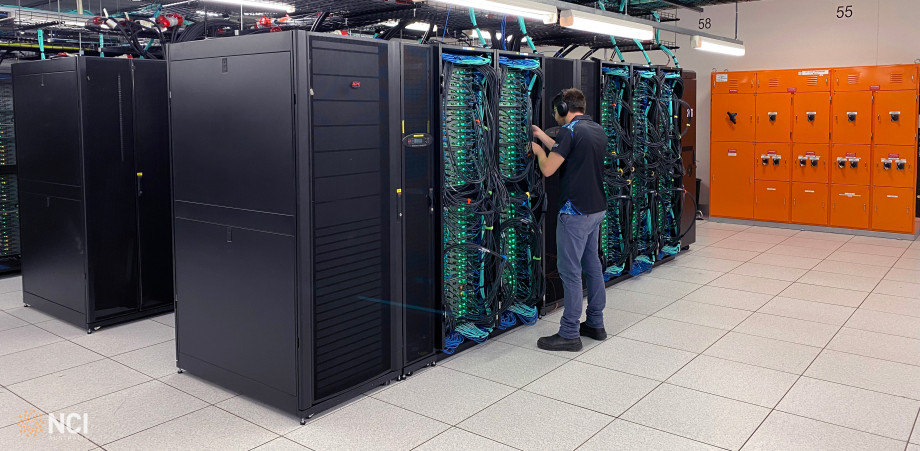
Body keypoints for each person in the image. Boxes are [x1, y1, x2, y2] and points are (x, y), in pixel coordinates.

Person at [530, 88, 608, 352]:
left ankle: (569, 333)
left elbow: (549, 168)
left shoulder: (569, 131)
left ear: (564, 109)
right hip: (596, 209)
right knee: (592, 266)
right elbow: (569, 151)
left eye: (556, 112)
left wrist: (537, 151)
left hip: (574, 213)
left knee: (571, 273)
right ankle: (595, 323)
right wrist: (542, 136)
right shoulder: (595, 129)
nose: (556, 117)